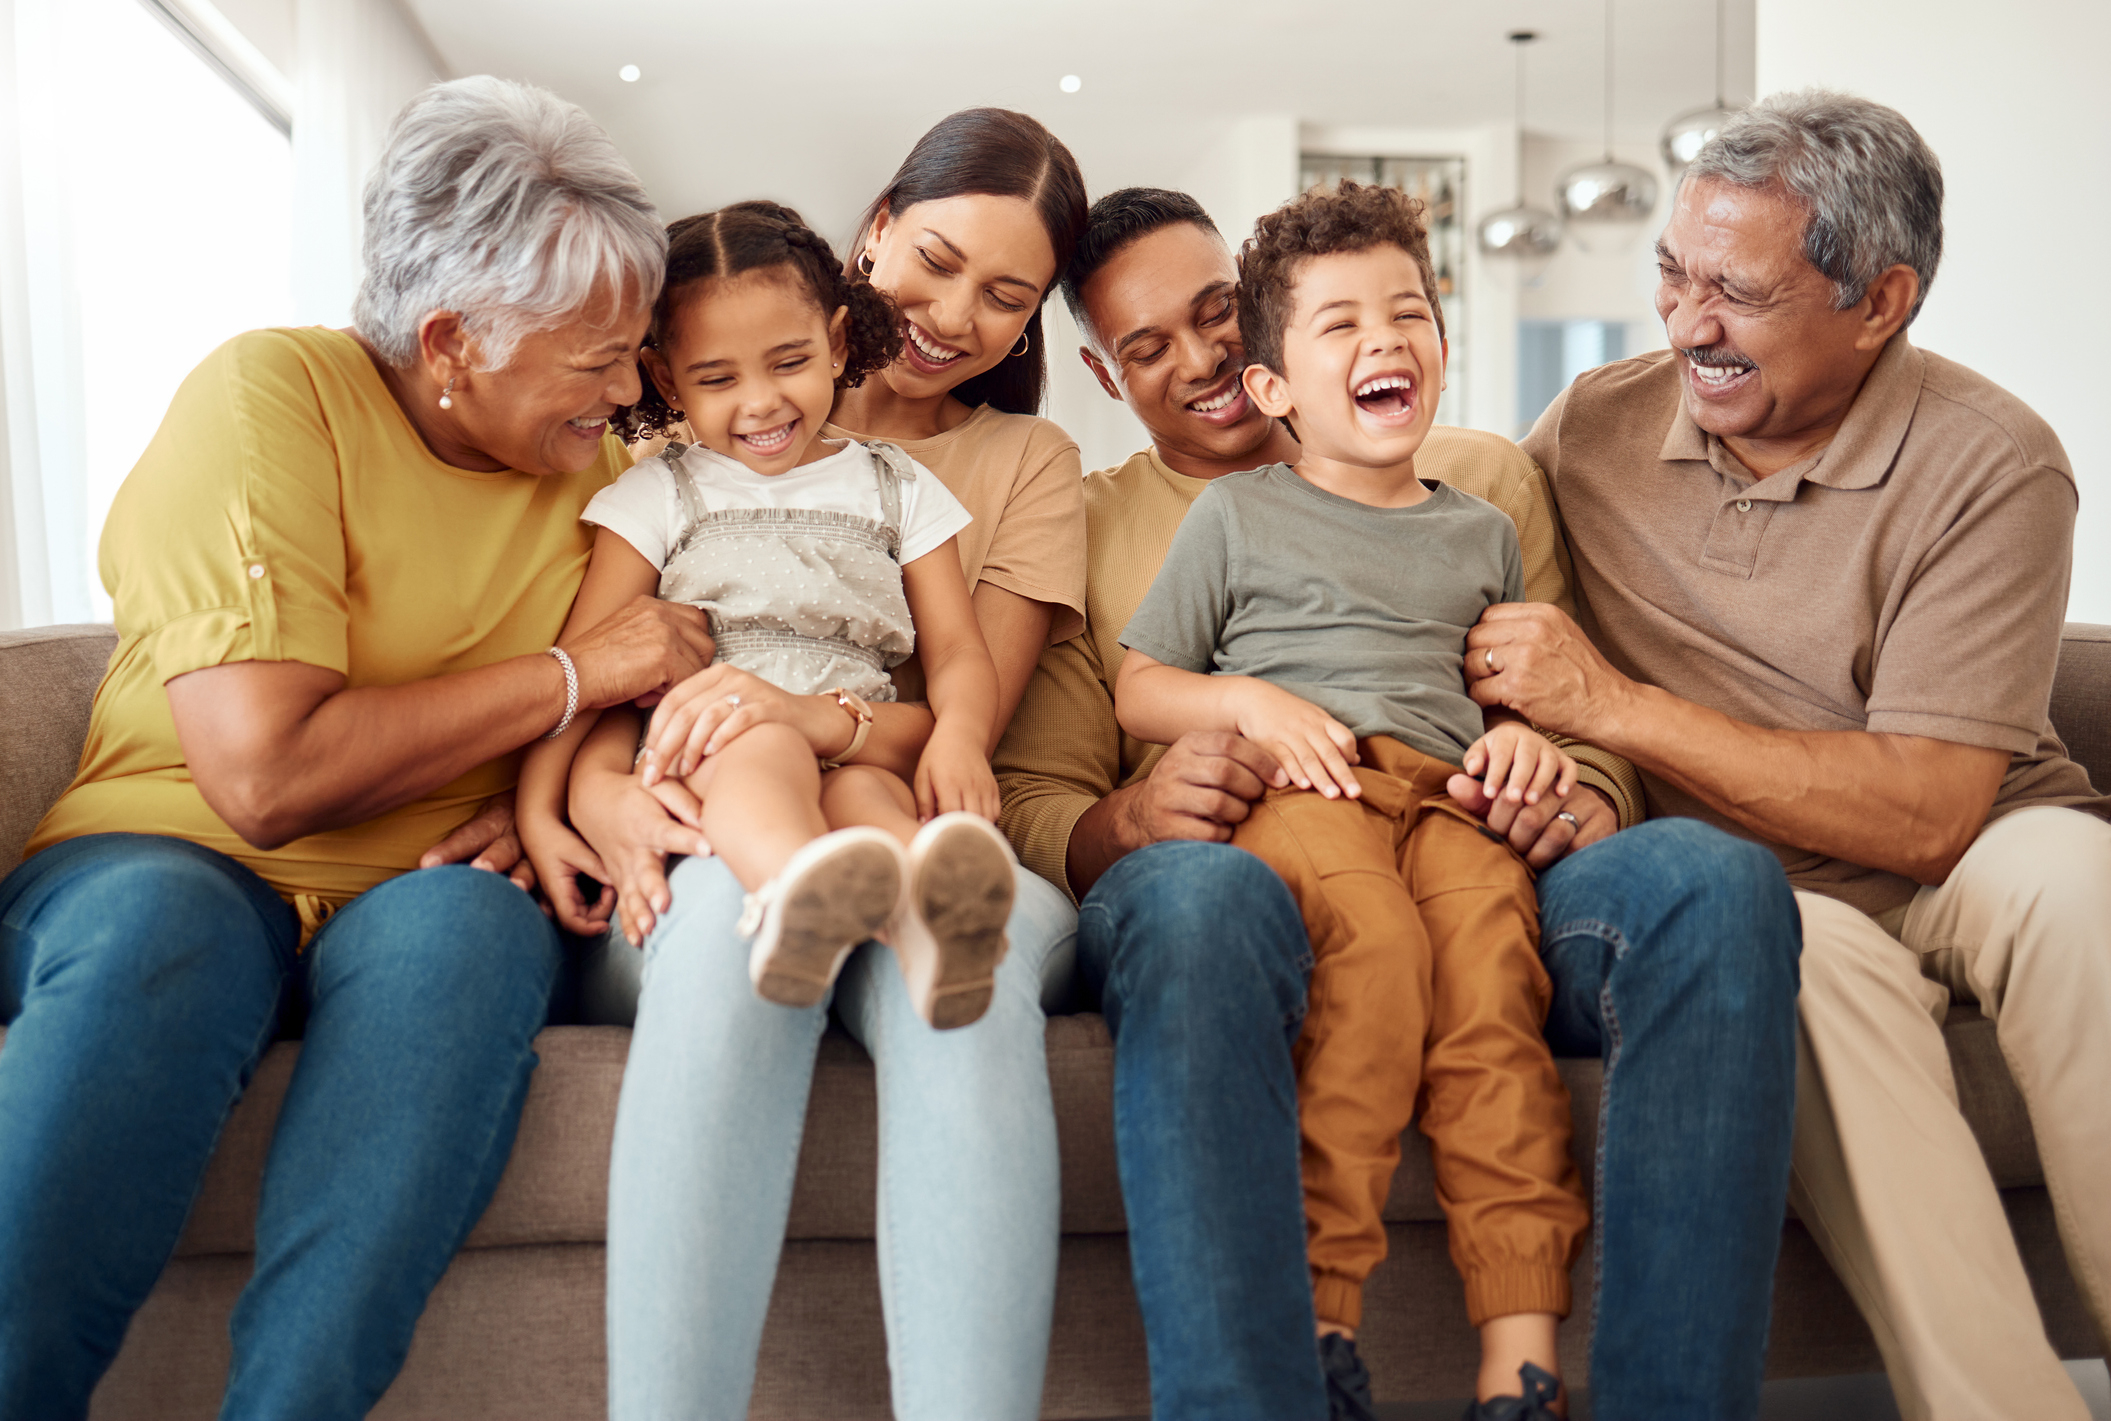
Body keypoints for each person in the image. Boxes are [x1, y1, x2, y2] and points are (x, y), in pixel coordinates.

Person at [995, 186, 1804, 1421]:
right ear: (1108, 377)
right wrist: (1166, 786)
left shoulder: (1478, 494)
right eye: (1149, 346)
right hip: (1260, 831)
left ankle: (1530, 1366)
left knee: (1585, 932)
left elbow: (1555, 700)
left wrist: (1558, 777)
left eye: (1213, 313)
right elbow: (1047, 786)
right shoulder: (1121, 519)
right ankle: (1307, 1339)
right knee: (1345, 942)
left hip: (1453, 812)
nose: (1202, 357)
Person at [0, 77, 701, 1421]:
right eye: (594, 353)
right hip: (171, 849)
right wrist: (560, 681)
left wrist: (550, 785)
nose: (629, 386)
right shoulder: (273, 399)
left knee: (467, 940)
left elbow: (655, 681)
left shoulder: (617, 483)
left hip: (432, 881)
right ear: (451, 341)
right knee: (166, 933)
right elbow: (264, 777)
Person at [1478, 90, 2111, 1421]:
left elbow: (1934, 815)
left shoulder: (1991, 463)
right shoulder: (1588, 428)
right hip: (1763, 895)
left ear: (1876, 301)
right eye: (1670, 273)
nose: (1686, 324)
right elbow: (1438, 546)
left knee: (2077, 889)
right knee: (1783, 950)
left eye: (1737, 293)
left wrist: (1613, 707)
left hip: (1970, 834)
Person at [574, 109, 1089, 1421]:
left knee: (935, 939)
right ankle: (798, 888)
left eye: (1006, 294)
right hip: (708, 768)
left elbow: (946, 685)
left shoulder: (959, 475)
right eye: (934, 258)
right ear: (871, 244)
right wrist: (580, 794)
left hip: (874, 755)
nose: (955, 312)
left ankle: (897, 900)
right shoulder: (659, 474)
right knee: (736, 888)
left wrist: (897, 735)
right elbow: (587, 675)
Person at [1113, 179, 1589, 1419]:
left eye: (1408, 313)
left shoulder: (1481, 529)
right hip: (1309, 787)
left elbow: (1505, 696)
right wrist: (1248, 706)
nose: (1384, 340)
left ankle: (1519, 1356)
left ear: (1440, 343)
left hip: (1450, 804)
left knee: (1491, 979)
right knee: (1370, 955)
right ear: (1270, 388)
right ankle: (1324, 1320)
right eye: (1338, 326)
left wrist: (1532, 747)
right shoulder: (1233, 512)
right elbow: (1139, 688)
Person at [519, 201, 1017, 1029]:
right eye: (717, 379)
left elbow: (959, 650)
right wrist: (545, 807)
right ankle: (789, 891)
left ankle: (934, 929)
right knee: (767, 743)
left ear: (838, 342)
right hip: (710, 743)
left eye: (789, 361)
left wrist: (962, 738)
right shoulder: (659, 492)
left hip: (849, 739)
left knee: (874, 807)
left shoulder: (898, 486)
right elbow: (580, 666)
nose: (760, 403)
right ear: (668, 379)